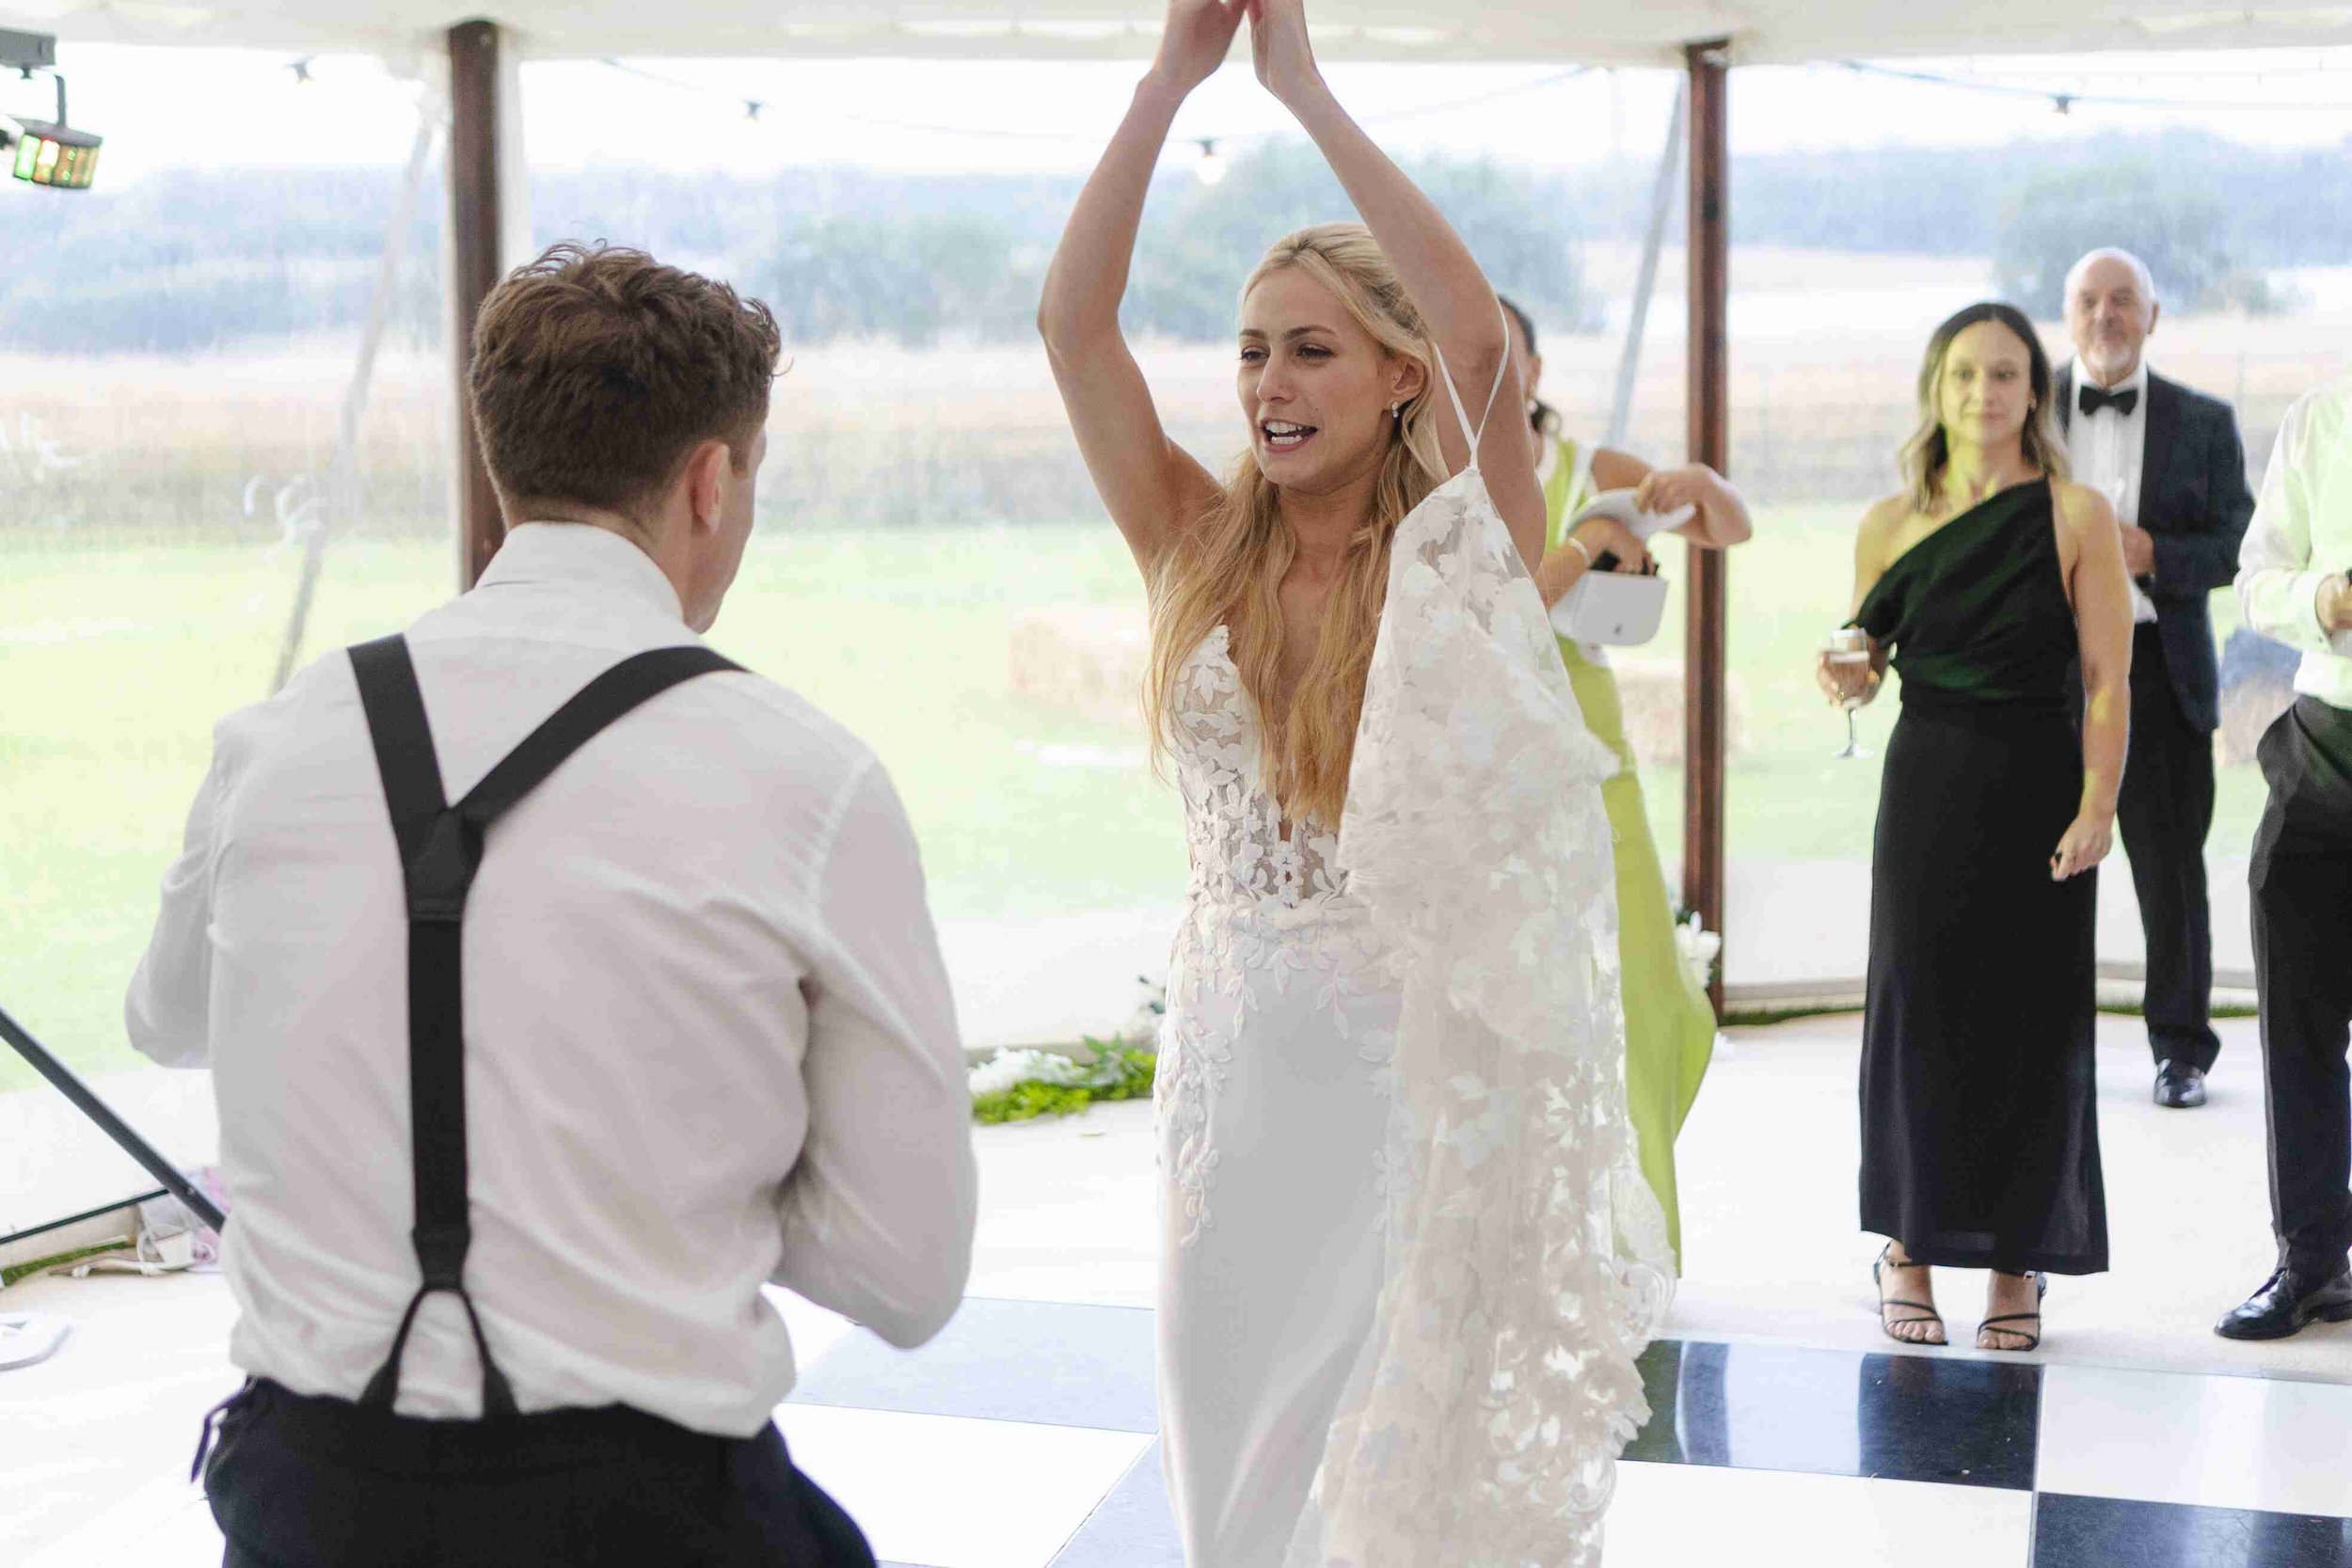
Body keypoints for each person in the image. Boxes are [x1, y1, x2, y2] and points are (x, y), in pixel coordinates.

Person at [125, 244, 978, 1567]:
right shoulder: (806, 777)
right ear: (712, 478)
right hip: (645, 1513)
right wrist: (656, 1180)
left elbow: (166, 1016)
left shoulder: (279, 737)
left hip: (310, 1505)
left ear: (500, 458)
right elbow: (907, 1271)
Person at [1038, 2, 1669, 1562]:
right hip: (1233, 1102)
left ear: (1393, 379)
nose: (1269, 378)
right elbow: (1071, 329)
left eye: (1311, 347)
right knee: (1233, 1491)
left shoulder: (1460, 556)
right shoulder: (1194, 543)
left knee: (1382, 1498)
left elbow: (1484, 344)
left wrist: (1297, 85)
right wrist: (1166, 82)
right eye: (1253, 347)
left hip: (1409, 1103)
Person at [1820, 301, 2133, 1353]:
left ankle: (2016, 1258)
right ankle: (1905, 1246)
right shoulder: (1888, 520)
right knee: (1917, 1005)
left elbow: (2105, 677)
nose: (1982, 393)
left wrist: (2099, 803)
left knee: (2032, 1017)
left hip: (2041, 784)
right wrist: (1843, 675)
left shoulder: (2076, 513)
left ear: (2031, 392)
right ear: (1936, 387)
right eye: (1963, 374)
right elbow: (1861, 668)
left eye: (2003, 374)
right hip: (1928, 784)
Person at [1501, 294, 1751, 1271]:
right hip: (1493, 753)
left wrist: (1695, 483)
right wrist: (1584, 549)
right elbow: (1502, 608)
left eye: (1501, 348)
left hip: (1590, 744)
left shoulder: (1585, 467)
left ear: (1533, 366)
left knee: (1644, 983)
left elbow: (1726, 526)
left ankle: (1630, 1221)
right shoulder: (1432, 472)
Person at [2056, 247, 2256, 1110]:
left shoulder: (2206, 423)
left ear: (2152, 315)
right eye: (2090, 301)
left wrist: (2154, 555)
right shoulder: (2026, 414)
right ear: (2068, 315)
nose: (2107, 316)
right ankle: (2051, 1052)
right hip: (2047, 678)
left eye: (2123, 301)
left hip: (2163, 680)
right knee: (2046, 870)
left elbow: (2244, 545)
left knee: (2171, 877)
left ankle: (2182, 1052)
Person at [2217, 369, 2352, 1340]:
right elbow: (2254, 580)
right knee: (2297, 1023)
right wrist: (2328, 596)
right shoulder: (2320, 414)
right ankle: (2308, 1262)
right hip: (2323, 748)